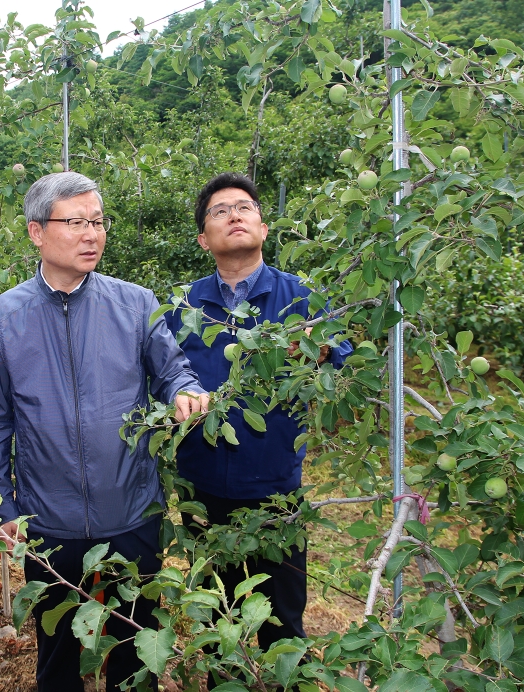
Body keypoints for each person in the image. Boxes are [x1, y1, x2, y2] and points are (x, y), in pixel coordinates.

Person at [0, 172, 209, 692]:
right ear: (37, 232)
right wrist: (1, 506)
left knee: (134, 642)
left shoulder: (135, 302)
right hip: (48, 519)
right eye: (76, 222)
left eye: (98, 222)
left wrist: (184, 392)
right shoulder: (3, 317)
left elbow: (172, 370)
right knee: (58, 651)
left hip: (130, 509)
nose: (92, 234)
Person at [163, 173, 353, 677]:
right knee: (218, 616)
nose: (234, 215)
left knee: (282, 619)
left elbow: (342, 355)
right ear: (204, 239)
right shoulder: (183, 305)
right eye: (220, 211)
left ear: (264, 228)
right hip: (203, 487)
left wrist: (320, 346)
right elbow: (160, 371)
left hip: (275, 489)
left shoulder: (299, 298)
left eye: (244, 207)